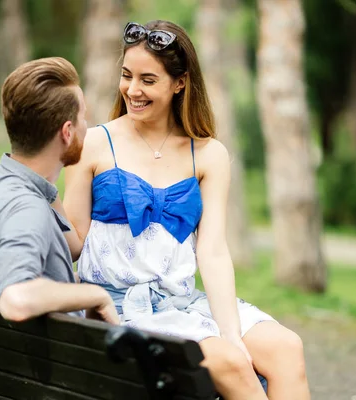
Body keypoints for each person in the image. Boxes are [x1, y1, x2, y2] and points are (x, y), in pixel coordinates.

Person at [63, 21, 309, 399]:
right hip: (119, 308)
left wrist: (229, 331)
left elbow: (211, 251)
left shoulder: (209, 154)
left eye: (148, 79)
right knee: (228, 361)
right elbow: (74, 241)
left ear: (180, 83)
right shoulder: (97, 142)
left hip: (182, 301)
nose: (132, 89)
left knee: (285, 347)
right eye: (127, 76)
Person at [0, 57, 119, 325]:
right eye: (83, 118)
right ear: (67, 132)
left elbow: (72, 249)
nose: (86, 127)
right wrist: (93, 295)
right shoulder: (26, 208)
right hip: (50, 361)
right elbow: (16, 299)